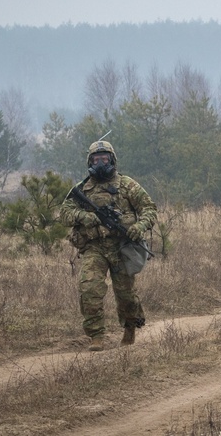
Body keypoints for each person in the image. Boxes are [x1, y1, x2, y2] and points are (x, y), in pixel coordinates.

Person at [58, 140, 157, 351]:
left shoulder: (127, 185)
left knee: (126, 296)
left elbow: (149, 208)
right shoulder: (81, 189)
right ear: (90, 161)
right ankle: (96, 336)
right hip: (94, 247)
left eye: (104, 158)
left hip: (122, 247)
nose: (100, 162)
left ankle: (130, 328)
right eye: (96, 159)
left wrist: (139, 226)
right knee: (89, 290)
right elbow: (64, 213)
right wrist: (83, 216)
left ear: (112, 159)